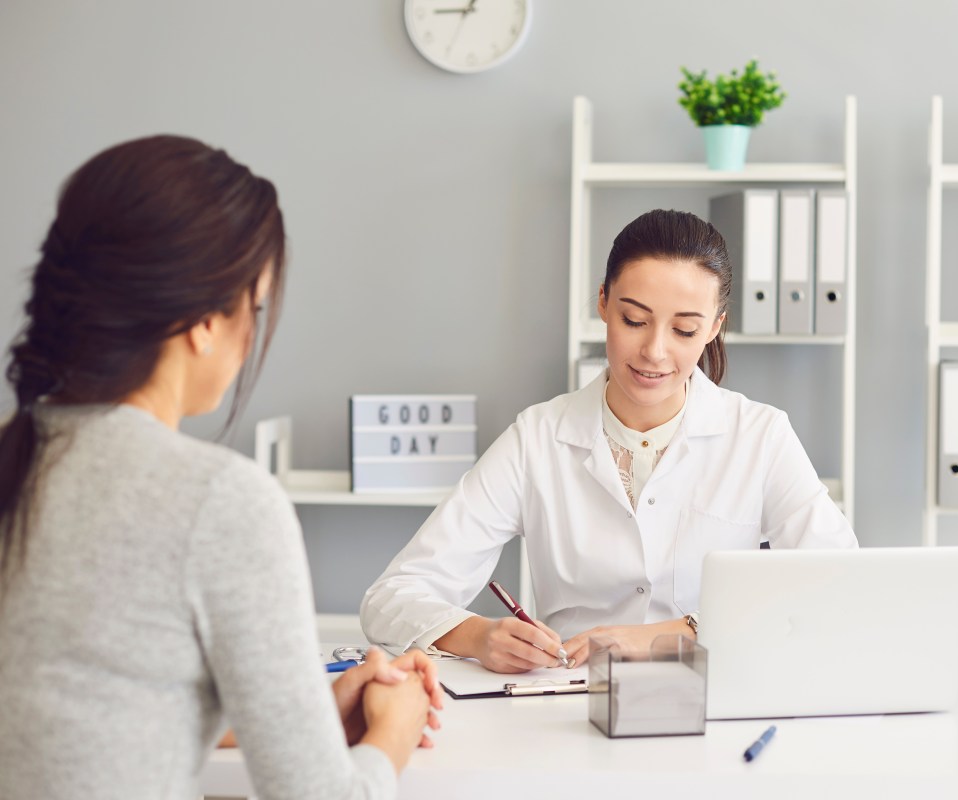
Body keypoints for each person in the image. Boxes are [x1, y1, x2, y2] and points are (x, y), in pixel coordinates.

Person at [0, 135, 443, 800]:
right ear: (205, 321)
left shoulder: (18, 459)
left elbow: (82, 722)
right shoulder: (217, 501)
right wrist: (394, 733)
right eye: (253, 307)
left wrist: (308, 710)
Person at [361, 208, 856, 673]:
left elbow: (839, 581)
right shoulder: (537, 439)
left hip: (716, 701)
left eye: (684, 330)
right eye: (634, 321)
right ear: (603, 302)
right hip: (570, 704)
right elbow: (392, 597)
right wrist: (477, 635)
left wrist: (675, 633)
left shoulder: (760, 436)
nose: (655, 351)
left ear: (714, 328)